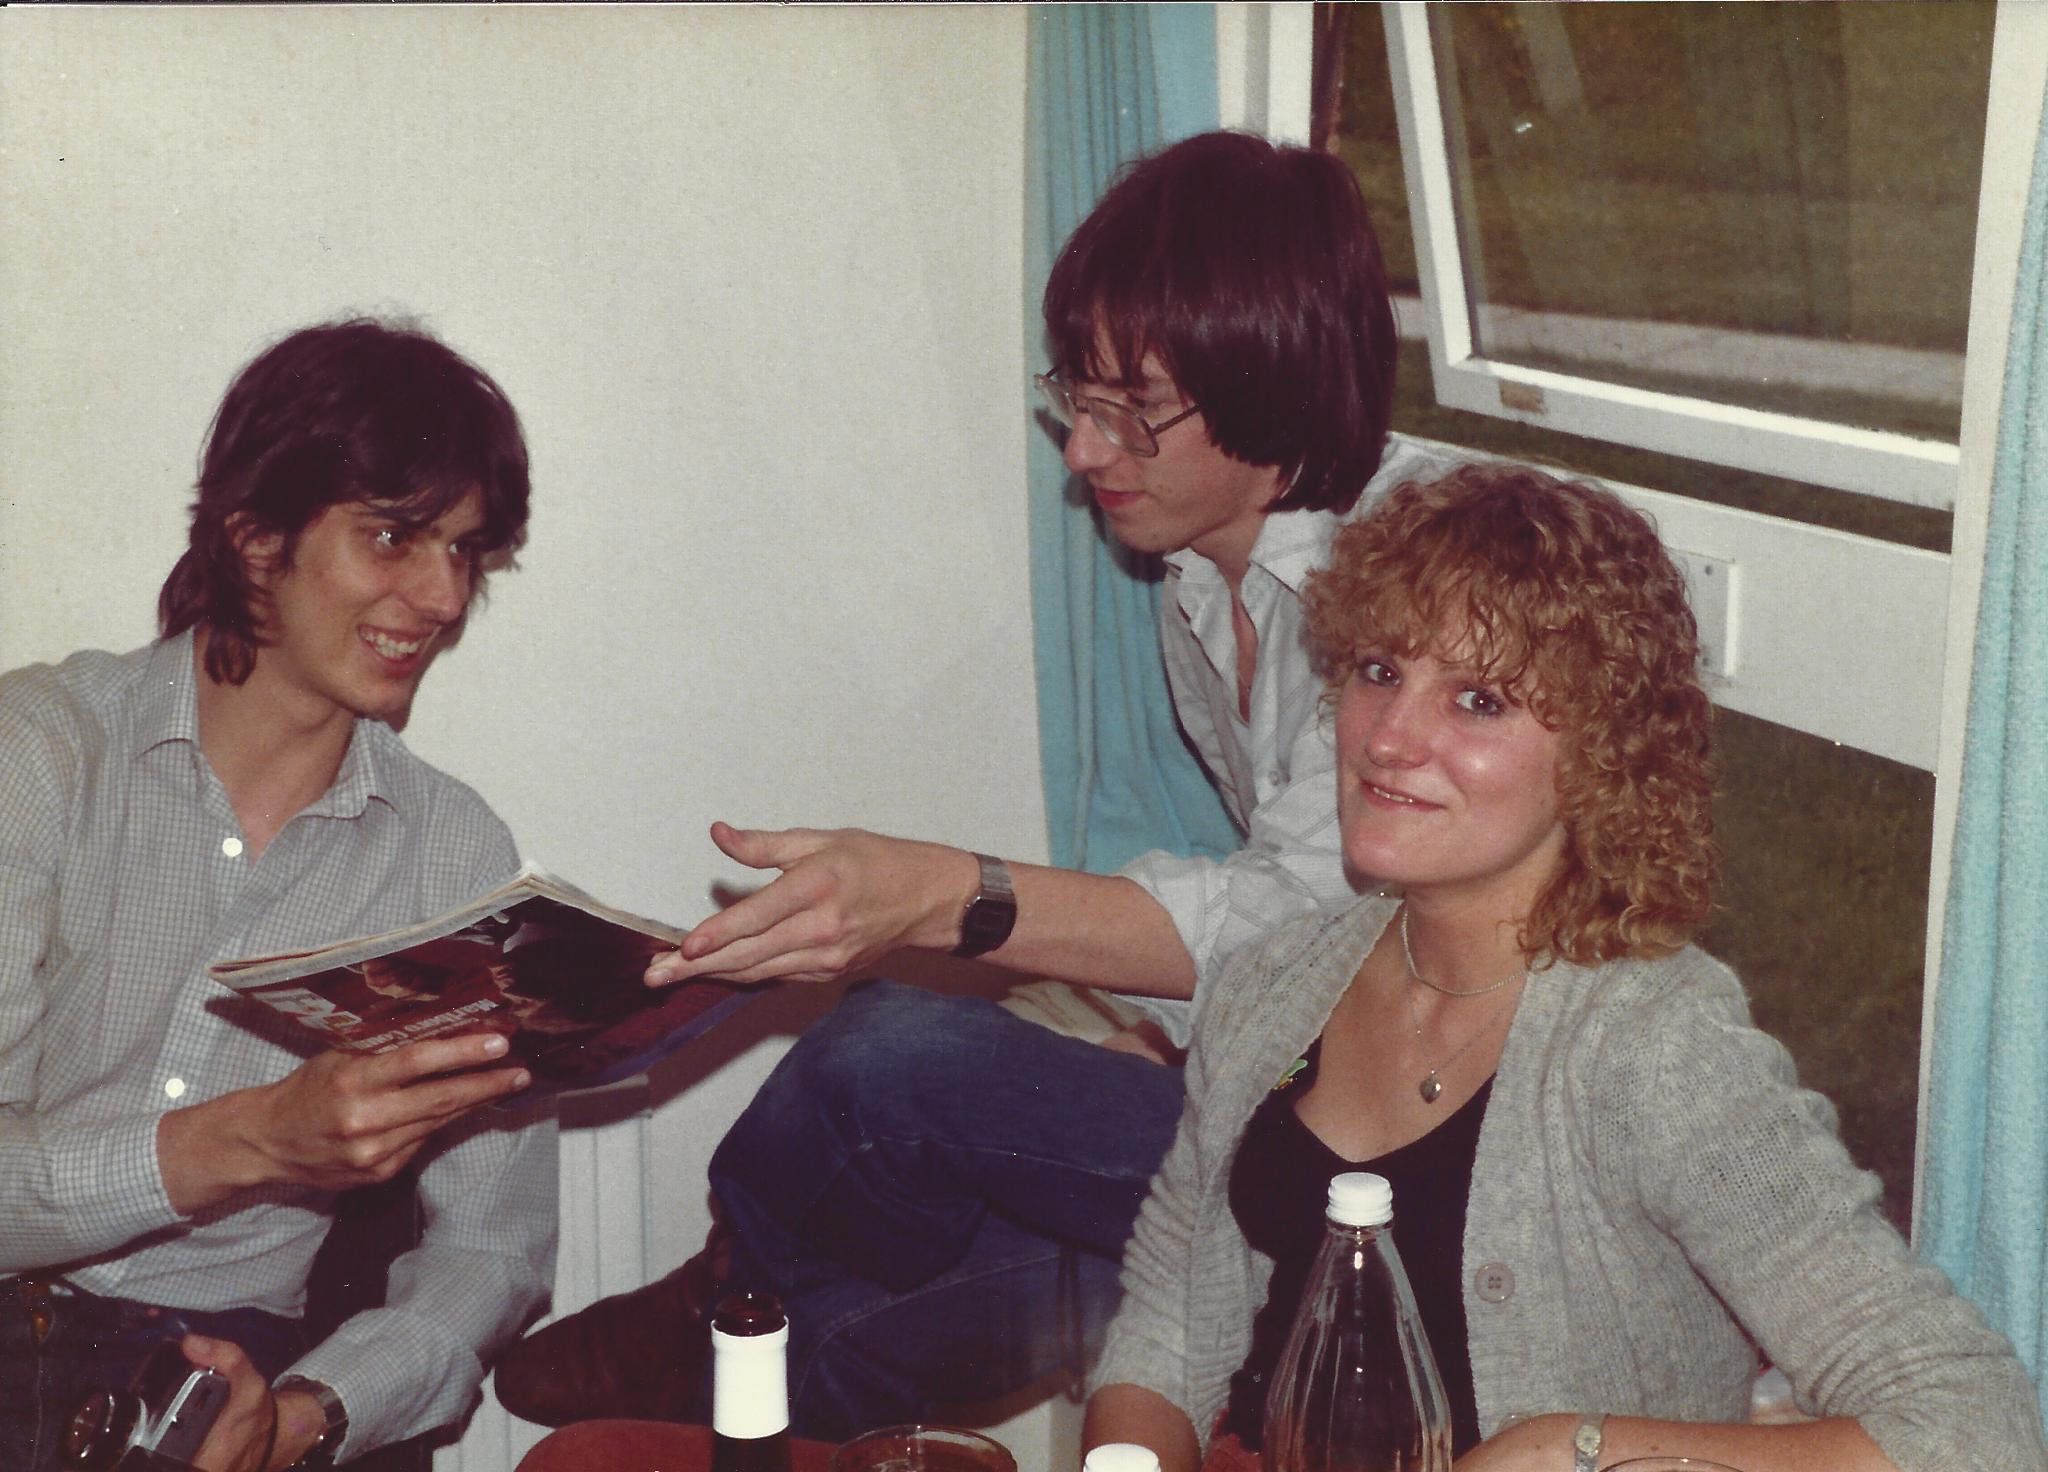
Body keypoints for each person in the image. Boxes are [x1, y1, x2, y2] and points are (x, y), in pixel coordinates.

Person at [495, 130, 1460, 1438]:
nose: (1085, 452)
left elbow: (1307, 924)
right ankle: (748, 1297)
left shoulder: (1418, 579)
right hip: (1289, 1092)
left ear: (1272, 373)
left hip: (1403, 1153)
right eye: (1077, 398)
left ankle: (725, 1285)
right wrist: (1167, 1036)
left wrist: (954, 896)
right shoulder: (1201, 577)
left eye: (1135, 410)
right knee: (836, 1343)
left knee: (882, 1055)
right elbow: (1301, 902)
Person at [1083, 463, 2048, 1472]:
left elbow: (1972, 1424)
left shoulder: (1654, 1050)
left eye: (1477, 699)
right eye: (1378, 670)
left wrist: (1573, 1449)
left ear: (1602, 754)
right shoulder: (1272, 982)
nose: (1389, 738)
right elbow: (1171, 1325)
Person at [0, 318, 558, 1472]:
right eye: (393, 536)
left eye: (465, 552)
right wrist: (253, 1137)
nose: (440, 596)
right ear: (255, 535)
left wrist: (307, 1414)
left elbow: (493, 1248)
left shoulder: (450, 853)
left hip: (229, 1364)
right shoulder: (41, 755)